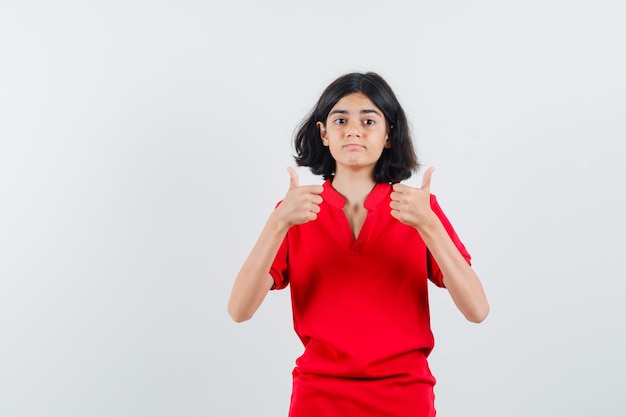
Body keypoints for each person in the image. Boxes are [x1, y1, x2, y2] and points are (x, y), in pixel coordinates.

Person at [227, 72, 489, 417]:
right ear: (323, 133)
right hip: (317, 397)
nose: (353, 130)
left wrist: (429, 225)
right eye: (340, 119)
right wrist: (278, 223)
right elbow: (239, 311)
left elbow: (477, 310)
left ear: (389, 136)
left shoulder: (419, 209)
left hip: (405, 396)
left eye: (369, 120)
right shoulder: (295, 211)